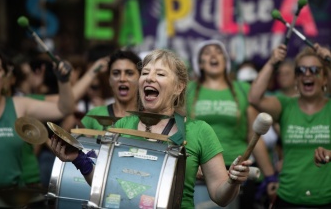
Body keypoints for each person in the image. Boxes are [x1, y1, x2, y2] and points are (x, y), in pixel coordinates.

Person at [50, 49, 252, 208]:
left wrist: (233, 182)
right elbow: (103, 184)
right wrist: (79, 160)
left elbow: (220, 196)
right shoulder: (122, 126)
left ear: (179, 87)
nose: (149, 78)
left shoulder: (199, 131)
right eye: (145, 72)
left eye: (160, 74)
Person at [0, 46, 74, 206]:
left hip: (10, 200)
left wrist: (63, 80)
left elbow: (63, 108)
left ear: (5, 77)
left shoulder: (19, 105)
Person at [186, 39, 275, 208]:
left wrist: (270, 176)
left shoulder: (243, 89)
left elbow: (253, 134)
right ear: (200, 63)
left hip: (237, 169)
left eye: (218, 51)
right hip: (198, 169)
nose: (213, 55)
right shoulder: (187, 90)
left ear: (226, 61)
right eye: (207, 53)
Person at [249, 43, 331, 208]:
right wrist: (272, 62)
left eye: (315, 70)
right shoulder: (285, 105)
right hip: (287, 198)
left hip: (326, 200)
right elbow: (254, 98)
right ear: (296, 79)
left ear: (324, 78)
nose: (307, 74)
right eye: (301, 70)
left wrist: (330, 60)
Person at [80, 50, 141, 130]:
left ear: (140, 78)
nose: (122, 79)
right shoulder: (95, 114)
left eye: (129, 73)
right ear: (109, 79)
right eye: (116, 73)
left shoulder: (148, 120)